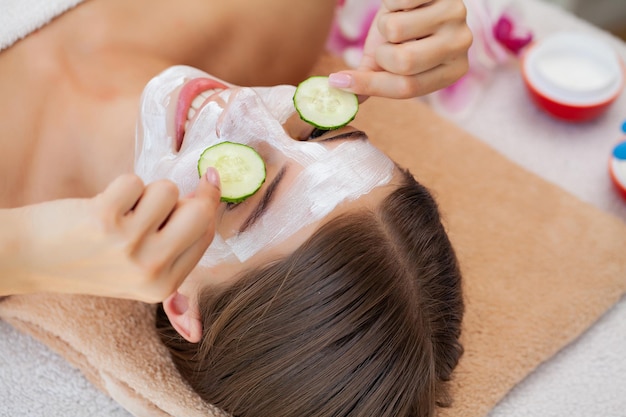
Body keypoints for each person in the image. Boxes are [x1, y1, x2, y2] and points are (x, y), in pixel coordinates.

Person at [0, 1, 466, 414]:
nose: (245, 104)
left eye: (252, 188)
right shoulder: (282, 16)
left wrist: (24, 254)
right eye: (317, 134)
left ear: (181, 298)